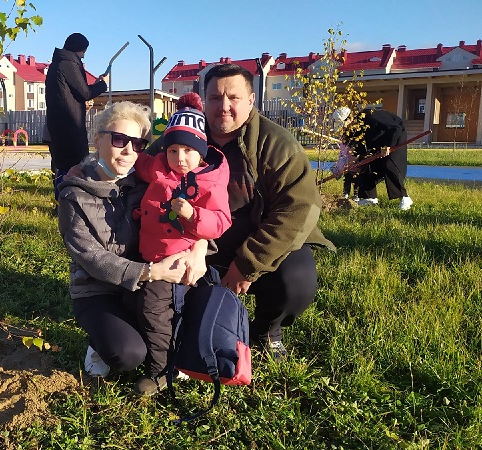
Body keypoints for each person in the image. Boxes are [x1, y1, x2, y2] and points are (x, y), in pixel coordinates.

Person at [56, 101, 207, 381]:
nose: (128, 151)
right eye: (119, 139)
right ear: (97, 139)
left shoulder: (147, 183)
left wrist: (200, 247)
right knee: (128, 354)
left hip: (145, 284)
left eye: (137, 144)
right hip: (98, 289)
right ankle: (98, 343)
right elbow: (91, 258)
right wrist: (151, 271)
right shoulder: (73, 196)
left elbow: (194, 217)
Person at [200, 64, 335, 361]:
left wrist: (247, 264)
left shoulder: (278, 144)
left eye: (233, 97)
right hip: (199, 242)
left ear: (251, 101)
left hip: (259, 239)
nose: (224, 106)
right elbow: (142, 170)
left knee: (297, 279)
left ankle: (266, 330)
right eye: (215, 98)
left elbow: (299, 210)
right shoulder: (184, 137)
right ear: (203, 101)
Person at [130, 95, 231, 394]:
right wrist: (128, 147)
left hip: (178, 260)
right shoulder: (160, 168)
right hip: (151, 256)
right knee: (155, 309)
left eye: (188, 150)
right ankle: (173, 358)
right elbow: (140, 162)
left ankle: (162, 370)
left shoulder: (209, 182)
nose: (180, 158)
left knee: (154, 310)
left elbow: (221, 221)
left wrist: (193, 214)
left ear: (201, 153)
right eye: (173, 150)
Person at [46, 32, 109, 199]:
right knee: (73, 166)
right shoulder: (68, 64)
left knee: (62, 166)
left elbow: (74, 93)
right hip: (69, 127)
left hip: (60, 126)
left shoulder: (57, 64)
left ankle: (61, 201)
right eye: (83, 51)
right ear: (77, 49)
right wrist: (103, 85)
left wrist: (94, 86)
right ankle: (68, 201)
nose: (83, 56)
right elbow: (85, 93)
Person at [333, 107, 413, 210]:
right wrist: (343, 166)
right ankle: (369, 197)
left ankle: (404, 197)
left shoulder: (369, 115)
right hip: (378, 142)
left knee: (389, 164)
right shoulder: (352, 129)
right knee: (365, 164)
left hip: (395, 136)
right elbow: (355, 148)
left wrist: (387, 146)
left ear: (350, 118)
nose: (344, 127)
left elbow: (395, 128)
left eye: (344, 124)